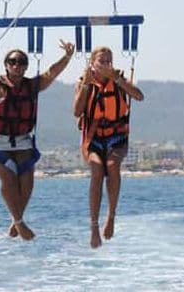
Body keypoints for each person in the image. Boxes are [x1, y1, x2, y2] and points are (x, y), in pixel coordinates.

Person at [0, 40, 74, 240]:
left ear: (26, 65)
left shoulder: (32, 86)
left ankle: (15, 219)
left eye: (21, 62)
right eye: (13, 62)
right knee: (9, 181)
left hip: (23, 141)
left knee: (26, 184)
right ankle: (19, 223)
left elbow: (51, 73)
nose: (17, 66)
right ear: (6, 65)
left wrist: (67, 56)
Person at [73, 46, 144, 248]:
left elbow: (139, 96)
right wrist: (86, 85)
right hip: (93, 137)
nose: (105, 65)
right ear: (92, 63)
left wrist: (119, 80)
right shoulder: (83, 82)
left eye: (108, 61)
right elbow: (77, 112)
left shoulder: (118, 80)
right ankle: (94, 226)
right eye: (101, 61)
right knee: (97, 169)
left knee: (112, 166)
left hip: (117, 136)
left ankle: (111, 216)